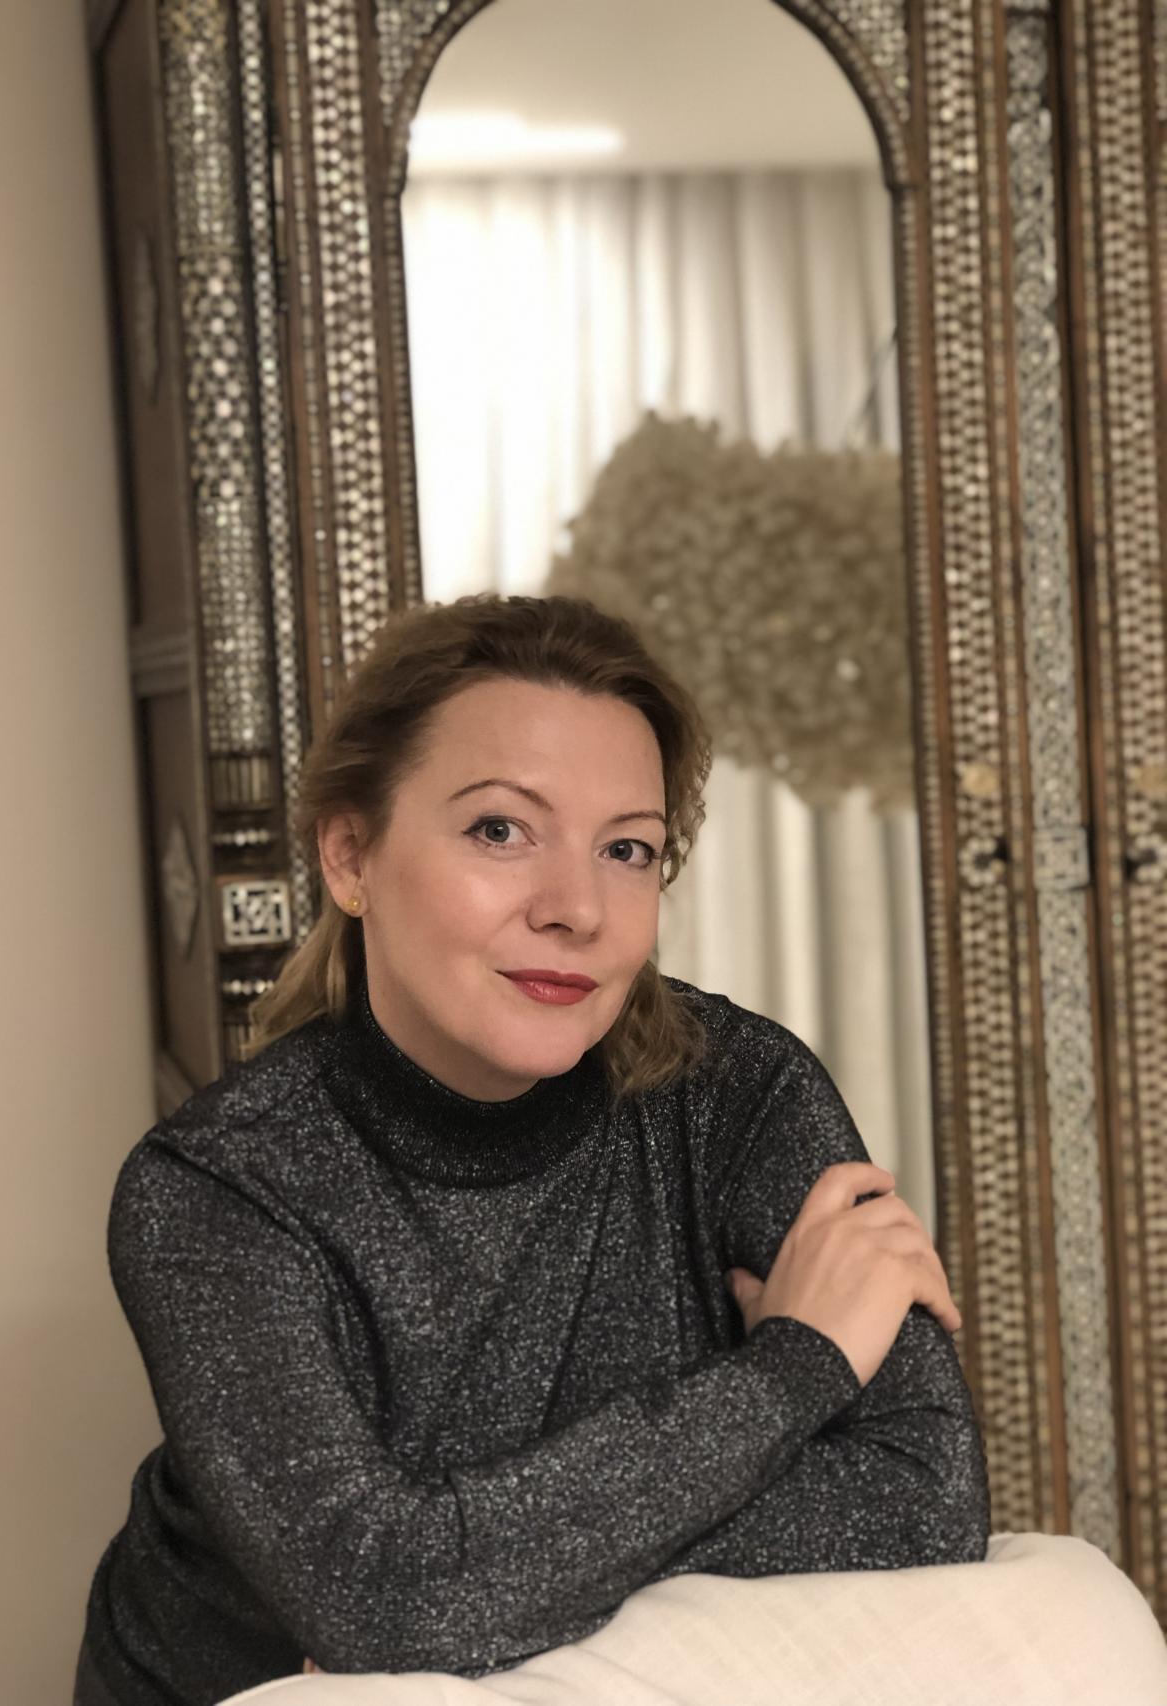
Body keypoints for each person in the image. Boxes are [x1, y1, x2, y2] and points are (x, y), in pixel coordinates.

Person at [73, 593, 989, 1706]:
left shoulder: (741, 1095)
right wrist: (792, 1369)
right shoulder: (217, 1187)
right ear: (351, 855)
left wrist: (470, 1568)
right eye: (500, 830)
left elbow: (926, 1495)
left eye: (627, 848)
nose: (576, 909)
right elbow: (380, 1600)